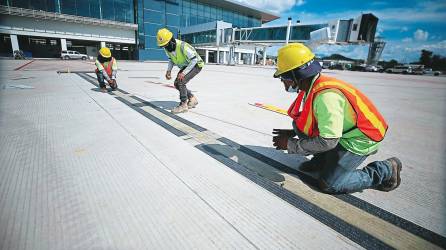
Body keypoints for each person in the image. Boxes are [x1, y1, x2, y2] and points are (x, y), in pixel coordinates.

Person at [272, 43, 402, 194]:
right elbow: (312, 121)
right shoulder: (312, 86)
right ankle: (323, 161)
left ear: (297, 75)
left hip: (360, 139)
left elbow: (328, 141)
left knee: (330, 184)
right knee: (298, 124)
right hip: (343, 132)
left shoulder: (326, 97)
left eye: (284, 77)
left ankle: (385, 169)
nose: (282, 81)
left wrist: (290, 145)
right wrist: (293, 133)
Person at [157, 28, 204, 114]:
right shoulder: (167, 48)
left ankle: (183, 105)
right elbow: (171, 59)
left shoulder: (183, 46)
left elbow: (194, 60)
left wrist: (183, 73)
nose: (165, 47)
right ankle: (192, 99)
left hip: (196, 64)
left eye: (166, 45)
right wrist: (169, 71)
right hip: (186, 65)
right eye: (163, 46)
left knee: (180, 81)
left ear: (171, 41)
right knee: (176, 83)